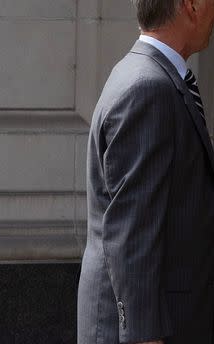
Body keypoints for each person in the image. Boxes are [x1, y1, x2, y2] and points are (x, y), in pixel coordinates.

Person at [78, 0, 214, 343]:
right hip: (149, 330)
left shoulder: (148, 74)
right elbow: (131, 233)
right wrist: (143, 336)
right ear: (192, 6)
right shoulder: (148, 87)